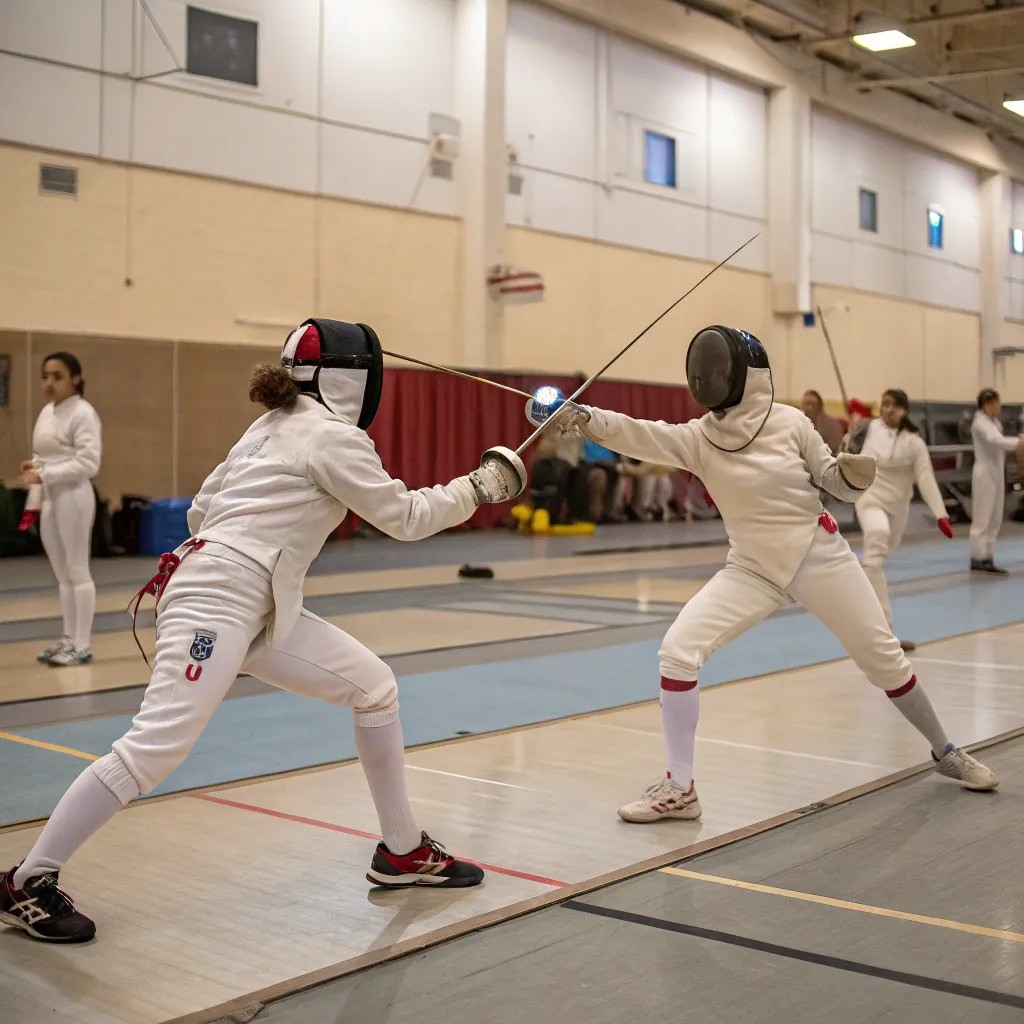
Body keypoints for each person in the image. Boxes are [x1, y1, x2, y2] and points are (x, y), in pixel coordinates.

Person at [0, 318, 526, 944]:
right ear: (351, 378)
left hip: (248, 599)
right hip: (220, 600)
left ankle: (403, 852)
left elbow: (201, 509)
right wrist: (481, 487)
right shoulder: (333, 437)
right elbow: (406, 517)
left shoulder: (266, 427)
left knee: (374, 687)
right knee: (155, 747)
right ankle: (27, 881)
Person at [544, 325, 997, 824]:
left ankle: (945, 750)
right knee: (677, 651)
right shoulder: (700, 437)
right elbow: (641, 432)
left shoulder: (791, 423)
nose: (708, 378)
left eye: (718, 369)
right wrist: (582, 417)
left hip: (817, 554)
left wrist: (849, 474)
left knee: (884, 660)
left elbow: (832, 484)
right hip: (752, 568)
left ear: (745, 375)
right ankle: (680, 788)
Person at [845, 389, 951, 652]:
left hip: (898, 507)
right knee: (876, 542)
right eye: (884, 404)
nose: (887, 409)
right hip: (870, 499)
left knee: (884, 547)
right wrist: (850, 435)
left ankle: (866, 583)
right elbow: (847, 455)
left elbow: (925, 478)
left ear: (904, 410)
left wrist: (941, 514)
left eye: (893, 405)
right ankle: (884, 633)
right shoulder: (869, 429)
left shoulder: (914, 442)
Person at [19, 352, 102, 667]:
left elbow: (89, 462)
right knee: (62, 574)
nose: (49, 383)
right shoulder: (47, 412)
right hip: (50, 496)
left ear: (76, 379)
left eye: (57, 376)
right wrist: (37, 467)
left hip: (74, 497)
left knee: (78, 571)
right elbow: (46, 455)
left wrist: (46, 473)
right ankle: (68, 638)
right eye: (45, 376)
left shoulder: (83, 413)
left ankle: (82, 645)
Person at [969, 388, 1023, 575]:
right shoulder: (980, 422)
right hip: (984, 474)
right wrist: (1019, 442)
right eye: (995, 403)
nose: (998, 407)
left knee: (995, 518)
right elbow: (996, 441)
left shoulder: (994, 422)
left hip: (997, 473)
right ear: (986, 404)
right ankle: (977, 557)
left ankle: (988, 556)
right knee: (982, 518)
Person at [802, 389, 845, 455]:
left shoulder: (832, 424)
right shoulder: (801, 422)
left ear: (819, 406)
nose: (807, 408)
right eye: (804, 404)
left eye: (810, 404)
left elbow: (836, 449)